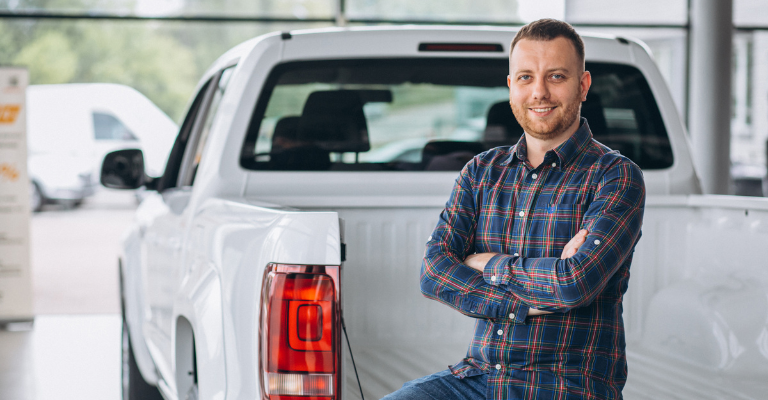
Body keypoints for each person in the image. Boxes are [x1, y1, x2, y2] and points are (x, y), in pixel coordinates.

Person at [383, 19, 646, 400]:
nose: (539, 92)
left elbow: (574, 284)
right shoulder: (481, 172)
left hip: (566, 387)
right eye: (525, 77)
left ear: (583, 85)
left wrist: (486, 263)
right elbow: (433, 272)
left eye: (556, 76)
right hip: (478, 379)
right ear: (511, 87)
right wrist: (525, 302)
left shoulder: (617, 176)